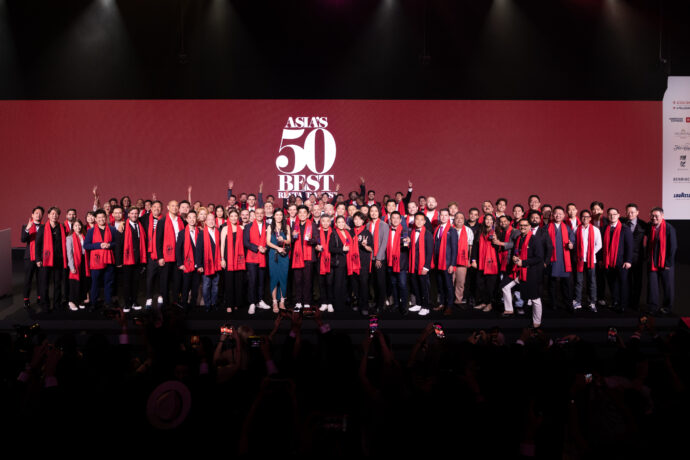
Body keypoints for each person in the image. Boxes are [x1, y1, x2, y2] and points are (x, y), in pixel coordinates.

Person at [501, 218, 545, 326]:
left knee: (535, 298)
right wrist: (515, 258)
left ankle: (537, 322)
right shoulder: (518, 238)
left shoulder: (535, 240)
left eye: (525, 225)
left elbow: (539, 258)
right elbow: (516, 252)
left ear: (530, 227)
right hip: (518, 271)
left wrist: (524, 262)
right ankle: (509, 309)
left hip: (530, 272)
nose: (523, 227)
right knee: (504, 286)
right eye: (521, 225)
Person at [83, 209, 118, 309]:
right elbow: (86, 246)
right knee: (95, 283)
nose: (101, 219)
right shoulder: (91, 231)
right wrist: (99, 245)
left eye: (103, 217)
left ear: (106, 218)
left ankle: (108, 302)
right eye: (99, 218)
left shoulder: (112, 229)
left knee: (109, 282)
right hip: (96, 260)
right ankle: (94, 303)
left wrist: (110, 245)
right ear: (95, 219)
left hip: (109, 259)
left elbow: (116, 243)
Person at [646, 207, 677, 316]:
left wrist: (668, 263)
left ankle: (667, 307)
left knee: (667, 286)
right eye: (652, 216)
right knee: (652, 286)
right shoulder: (650, 227)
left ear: (662, 216)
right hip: (653, 261)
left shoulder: (669, 228)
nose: (654, 218)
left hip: (666, 262)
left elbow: (673, 247)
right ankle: (653, 306)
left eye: (656, 216)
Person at [35, 207, 67, 312]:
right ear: (48, 215)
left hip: (58, 260)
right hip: (45, 260)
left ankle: (57, 304)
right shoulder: (43, 228)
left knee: (57, 283)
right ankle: (45, 305)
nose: (54, 215)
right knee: (45, 283)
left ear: (58, 216)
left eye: (56, 214)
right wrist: (38, 259)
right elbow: (38, 245)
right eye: (52, 213)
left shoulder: (61, 228)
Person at [602, 208, 633, 313]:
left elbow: (629, 246)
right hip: (608, 261)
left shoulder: (625, 229)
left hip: (621, 261)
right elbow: (602, 247)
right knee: (612, 283)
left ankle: (623, 304)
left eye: (614, 214)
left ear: (618, 215)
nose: (612, 216)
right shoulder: (605, 228)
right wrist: (602, 259)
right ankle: (615, 302)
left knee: (623, 283)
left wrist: (628, 260)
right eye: (609, 214)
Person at [545, 207, 576, 311]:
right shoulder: (547, 227)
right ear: (553, 215)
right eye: (556, 213)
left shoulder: (567, 227)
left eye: (560, 213)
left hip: (563, 259)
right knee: (552, 283)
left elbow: (572, 238)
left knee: (566, 283)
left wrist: (571, 244)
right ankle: (553, 303)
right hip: (552, 259)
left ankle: (568, 303)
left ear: (563, 216)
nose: (558, 215)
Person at [573, 210, 602, 312]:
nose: (585, 218)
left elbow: (599, 244)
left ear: (590, 218)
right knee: (578, 281)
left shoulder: (595, 230)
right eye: (583, 217)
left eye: (587, 217)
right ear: (580, 218)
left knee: (592, 282)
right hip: (579, 259)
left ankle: (592, 302)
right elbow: (574, 243)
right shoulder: (576, 229)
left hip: (591, 259)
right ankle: (577, 301)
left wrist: (591, 252)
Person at [119, 206, 146, 312]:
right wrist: (119, 261)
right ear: (128, 215)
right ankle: (127, 304)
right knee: (126, 283)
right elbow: (119, 245)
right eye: (132, 213)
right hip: (126, 260)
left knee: (136, 282)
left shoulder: (140, 225)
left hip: (137, 260)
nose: (134, 215)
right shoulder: (123, 226)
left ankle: (134, 301)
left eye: (136, 213)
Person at [471, 214, 499, 313]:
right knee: (480, 283)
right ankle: (483, 302)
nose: (488, 221)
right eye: (486, 219)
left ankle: (489, 304)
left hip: (492, 262)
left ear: (493, 222)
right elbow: (474, 246)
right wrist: (473, 260)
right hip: (481, 261)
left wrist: (496, 241)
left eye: (490, 219)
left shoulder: (497, 232)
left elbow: (499, 247)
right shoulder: (479, 231)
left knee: (490, 285)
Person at [291, 205, 317, 311]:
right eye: (300, 212)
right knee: (298, 280)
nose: (302, 214)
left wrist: (311, 240)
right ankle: (298, 301)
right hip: (297, 256)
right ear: (298, 214)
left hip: (308, 256)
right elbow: (291, 241)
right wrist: (293, 237)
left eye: (304, 212)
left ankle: (306, 301)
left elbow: (317, 240)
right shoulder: (295, 225)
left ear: (308, 214)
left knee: (307, 280)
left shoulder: (312, 225)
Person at [244, 207, 270, 314]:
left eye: (261, 213)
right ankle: (252, 303)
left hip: (263, 257)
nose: (259, 215)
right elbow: (246, 242)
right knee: (252, 281)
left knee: (261, 281)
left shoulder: (268, 226)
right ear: (254, 215)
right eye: (257, 213)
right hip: (251, 257)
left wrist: (266, 248)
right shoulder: (248, 226)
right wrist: (257, 248)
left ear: (264, 214)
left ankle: (260, 300)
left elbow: (270, 241)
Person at [432, 209, 457, 315]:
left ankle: (449, 306)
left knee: (448, 285)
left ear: (448, 217)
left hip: (447, 263)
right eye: (441, 215)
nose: (443, 217)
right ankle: (442, 303)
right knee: (440, 284)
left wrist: (452, 264)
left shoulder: (452, 230)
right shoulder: (437, 228)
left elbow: (455, 248)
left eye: (445, 215)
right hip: (438, 262)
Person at [220, 209, 246, 314]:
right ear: (229, 217)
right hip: (228, 259)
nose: (234, 218)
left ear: (238, 217)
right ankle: (229, 304)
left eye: (236, 216)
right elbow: (222, 245)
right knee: (229, 283)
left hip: (239, 259)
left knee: (238, 283)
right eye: (232, 216)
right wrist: (222, 259)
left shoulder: (242, 228)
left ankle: (236, 303)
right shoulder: (225, 229)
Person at [408, 212, 433, 317]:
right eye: (416, 219)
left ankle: (426, 307)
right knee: (415, 286)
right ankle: (418, 303)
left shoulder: (427, 233)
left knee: (424, 287)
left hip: (423, 265)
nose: (418, 221)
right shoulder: (412, 232)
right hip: (413, 265)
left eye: (421, 220)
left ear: (424, 221)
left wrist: (426, 266)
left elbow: (429, 251)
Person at [330, 215, 356, 313]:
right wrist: (342, 249)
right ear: (336, 224)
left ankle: (344, 302)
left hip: (348, 262)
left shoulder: (347, 232)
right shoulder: (334, 234)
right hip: (339, 262)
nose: (341, 224)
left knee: (345, 283)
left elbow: (350, 245)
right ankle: (337, 304)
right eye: (339, 222)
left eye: (342, 222)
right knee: (338, 283)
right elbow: (331, 248)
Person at [266, 209, 291, 313]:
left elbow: (289, 240)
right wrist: (278, 247)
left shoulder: (287, 227)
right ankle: (275, 302)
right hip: (273, 255)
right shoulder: (270, 227)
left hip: (284, 256)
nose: (279, 216)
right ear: (274, 216)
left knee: (283, 278)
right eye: (277, 215)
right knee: (274, 278)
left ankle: (282, 301)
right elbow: (267, 242)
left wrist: (283, 240)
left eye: (281, 215)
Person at [385, 211, 410, 315]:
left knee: (403, 285)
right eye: (393, 218)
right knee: (393, 284)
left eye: (397, 218)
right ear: (390, 220)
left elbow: (406, 246)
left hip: (401, 263)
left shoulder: (405, 231)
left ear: (400, 220)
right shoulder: (387, 231)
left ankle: (404, 306)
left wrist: (407, 242)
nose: (395, 220)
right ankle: (396, 304)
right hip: (390, 262)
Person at [624, 203, 647, 310]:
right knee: (626, 280)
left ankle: (635, 303)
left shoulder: (644, 224)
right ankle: (626, 301)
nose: (630, 214)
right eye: (628, 212)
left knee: (637, 281)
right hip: (625, 258)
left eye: (632, 212)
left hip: (638, 258)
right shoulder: (622, 222)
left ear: (637, 212)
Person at [177, 210, 201, 311]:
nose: (192, 219)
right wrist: (180, 263)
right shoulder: (182, 233)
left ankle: (193, 306)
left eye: (194, 217)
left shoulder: (200, 232)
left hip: (197, 264)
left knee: (195, 287)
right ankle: (184, 306)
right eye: (190, 217)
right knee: (186, 286)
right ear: (186, 219)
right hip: (186, 264)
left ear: (196, 219)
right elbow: (178, 249)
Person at [197, 214, 222, 311]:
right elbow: (198, 250)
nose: (211, 221)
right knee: (206, 285)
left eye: (213, 219)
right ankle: (207, 304)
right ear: (205, 222)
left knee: (215, 285)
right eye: (209, 220)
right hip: (205, 264)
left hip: (217, 263)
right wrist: (199, 265)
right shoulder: (202, 234)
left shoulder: (219, 232)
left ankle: (214, 303)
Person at [141, 200, 163, 308]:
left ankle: (160, 297)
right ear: (151, 208)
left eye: (159, 207)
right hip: (149, 254)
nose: (156, 209)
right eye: (154, 207)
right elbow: (133, 220)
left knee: (161, 277)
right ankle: (149, 298)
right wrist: (122, 223)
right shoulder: (144, 218)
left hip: (161, 254)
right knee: (150, 278)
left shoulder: (164, 220)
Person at [368, 205, 390, 313]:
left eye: (375, 211)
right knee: (374, 282)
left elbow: (384, 243)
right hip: (370, 258)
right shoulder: (368, 224)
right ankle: (376, 301)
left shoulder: (384, 225)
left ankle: (381, 304)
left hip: (379, 258)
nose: (373, 213)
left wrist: (378, 258)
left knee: (381, 282)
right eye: (371, 211)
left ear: (379, 212)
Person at [350, 212, 373, 315]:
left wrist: (365, 246)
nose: (357, 221)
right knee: (355, 285)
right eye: (355, 219)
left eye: (359, 219)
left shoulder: (367, 233)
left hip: (363, 264)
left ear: (363, 221)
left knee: (363, 285)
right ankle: (358, 303)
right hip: (352, 263)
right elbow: (346, 244)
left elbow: (371, 249)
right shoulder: (350, 232)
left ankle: (365, 306)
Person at [21, 206, 44, 308]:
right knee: (28, 279)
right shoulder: (26, 226)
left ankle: (40, 298)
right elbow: (23, 239)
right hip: (29, 256)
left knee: (40, 279)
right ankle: (26, 299)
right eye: (36, 213)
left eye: (40, 213)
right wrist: (27, 229)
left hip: (41, 257)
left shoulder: (44, 227)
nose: (38, 215)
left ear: (42, 215)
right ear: (32, 215)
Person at [65, 220, 88, 311]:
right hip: (75, 262)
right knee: (74, 282)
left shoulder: (84, 236)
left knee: (83, 281)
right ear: (73, 227)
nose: (78, 227)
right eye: (76, 226)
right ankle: (71, 301)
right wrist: (72, 266)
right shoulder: (69, 238)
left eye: (79, 225)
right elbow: (69, 253)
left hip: (84, 261)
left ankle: (80, 300)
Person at [453, 212, 474, 309]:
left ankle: (458, 300)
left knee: (460, 283)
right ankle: (448, 300)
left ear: (464, 220)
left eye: (461, 218)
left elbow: (470, 246)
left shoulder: (468, 230)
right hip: (450, 262)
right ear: (454, 219)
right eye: (457, 218)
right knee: (450, 282)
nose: (459, 220)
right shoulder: (450, 229)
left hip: (462, 260)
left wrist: (469, 259)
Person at [316, 215, 335, 312]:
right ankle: (324, 302)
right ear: (321, 222)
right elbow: (313, 244)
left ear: (330, 222)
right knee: (321, 282)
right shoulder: (317, 232)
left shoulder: (334, 233)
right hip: (320, 260)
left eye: (328, 221)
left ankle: (330, 302)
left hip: (331, 260)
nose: (325, 223)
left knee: (330, 282)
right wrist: (316, 248)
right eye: (323, 221)